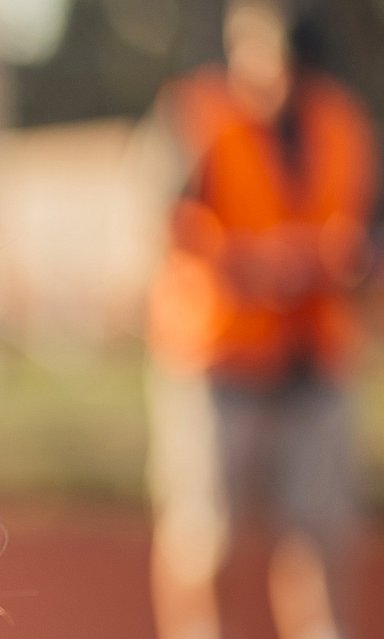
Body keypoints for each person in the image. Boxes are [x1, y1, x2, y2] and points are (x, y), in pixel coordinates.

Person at [143, 2, 374, 637]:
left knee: (321, 535)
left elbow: (368, 227)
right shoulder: (198, 117)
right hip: (218, 358)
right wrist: (254, 265)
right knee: (205, 535)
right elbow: (164, 224)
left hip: (314, 358)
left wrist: (352, 265)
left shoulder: (341, 125)